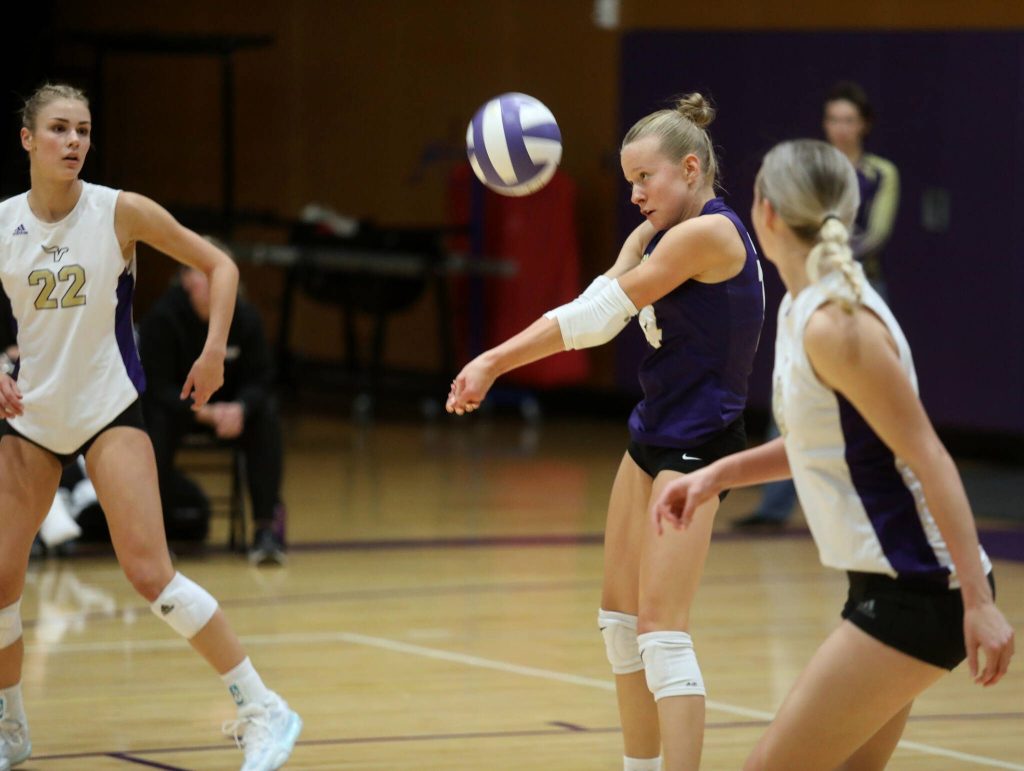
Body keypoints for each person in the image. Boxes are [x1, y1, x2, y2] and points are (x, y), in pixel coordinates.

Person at [654, 139, 1014, 771]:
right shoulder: (802, 307)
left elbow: (930, 458)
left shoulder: (837, 326)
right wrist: (715, 476)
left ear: (765, 213)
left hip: (924, 589)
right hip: (892, 582)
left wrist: (981, 606)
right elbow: (822, 445)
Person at [447, 93, 764, 771]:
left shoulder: (710, 233)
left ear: (687, 168)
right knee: (620, 629)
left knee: (662, 634)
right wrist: (627, 251)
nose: (635, 194)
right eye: (628, 182)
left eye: (644, 179)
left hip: (699, 446)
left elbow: (596, 318)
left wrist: (492, 360)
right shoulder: (662, 236)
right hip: (652, 433)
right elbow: (602, 300)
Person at [0, 83, 301, 770]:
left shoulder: (118, 210)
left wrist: (214, 350)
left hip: (108, 407)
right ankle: (10, 728)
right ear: (27, 139)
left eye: (83, 129)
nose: (73, 141)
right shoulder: (3, 224)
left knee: (148, 572)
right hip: (34, 418)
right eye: (58, 129)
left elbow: (219, 265)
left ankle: (263, 707)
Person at [734, 80, 901, 530]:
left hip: (858, 282)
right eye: (833, 119)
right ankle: (774, 508)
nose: (840, 128)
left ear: (863, 124)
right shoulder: (812, 166)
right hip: (808, 283)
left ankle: (869, 501)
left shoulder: (880, 173)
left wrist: (825, 249)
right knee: (792, 394)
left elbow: (875, 233)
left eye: (849, 119)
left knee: (868, 403)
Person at [139, 243, 288, 566]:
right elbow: (155, 385)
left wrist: (241, 408)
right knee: (153, 424)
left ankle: (266, 530)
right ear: (185, 279)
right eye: (202, 272)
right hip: (182, 410)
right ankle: (155, 536)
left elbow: (261, 378)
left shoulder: (246, 318)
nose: (210, 281)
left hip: (230, 412)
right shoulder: (163, 318)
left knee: (267, 418)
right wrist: (204, 411)